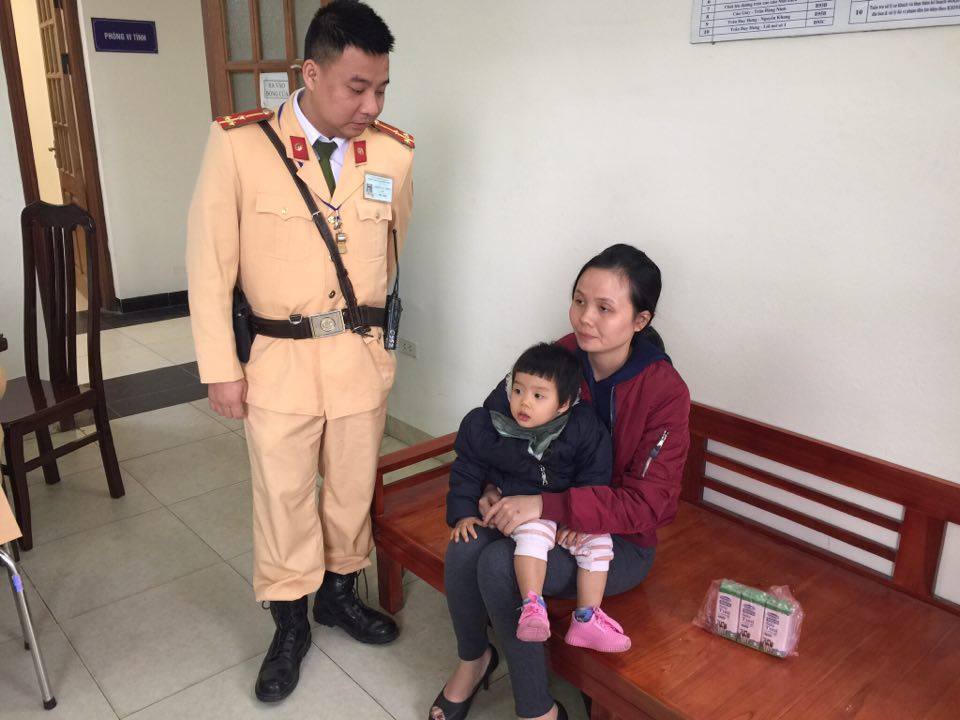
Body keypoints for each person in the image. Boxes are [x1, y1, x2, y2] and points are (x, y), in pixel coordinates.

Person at [186, 0, 414, 703]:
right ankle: (290, 621)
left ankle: (338, 595)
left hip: (358, 359)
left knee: (350, 489)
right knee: (283, 496)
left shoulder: (395, 154)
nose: (371, 105)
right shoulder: (239, 146)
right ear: (310, 73)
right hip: (278, 360)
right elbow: (209, 265)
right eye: (356, 88)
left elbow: (391, 252)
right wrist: (221, 369)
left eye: (381, 89)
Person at [431, 245, 690, 720]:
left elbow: (650, 505)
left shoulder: (663, 392)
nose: (585, 318)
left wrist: (547, 506)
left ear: (640, 320)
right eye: (579, 300)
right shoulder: (560, 356)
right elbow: (494, 419)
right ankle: (474, 659)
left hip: (614, 541)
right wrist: (487, 485)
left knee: (498, 565)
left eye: (605, 308)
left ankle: (538, 709)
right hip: (531, 507)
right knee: (465, 544)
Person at [445, 342, 631, 661]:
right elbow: (468, 466)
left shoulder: (584, 429)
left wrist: (580, 518)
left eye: (538, 395)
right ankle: (533, 605)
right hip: (523, 507)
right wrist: (464, 512)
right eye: (518, 390)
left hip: (566, 507)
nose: (524, 402)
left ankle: (587, 618)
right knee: (533, 537)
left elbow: (594, 477)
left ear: (563, 404)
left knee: (599, 542)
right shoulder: (493, 423)